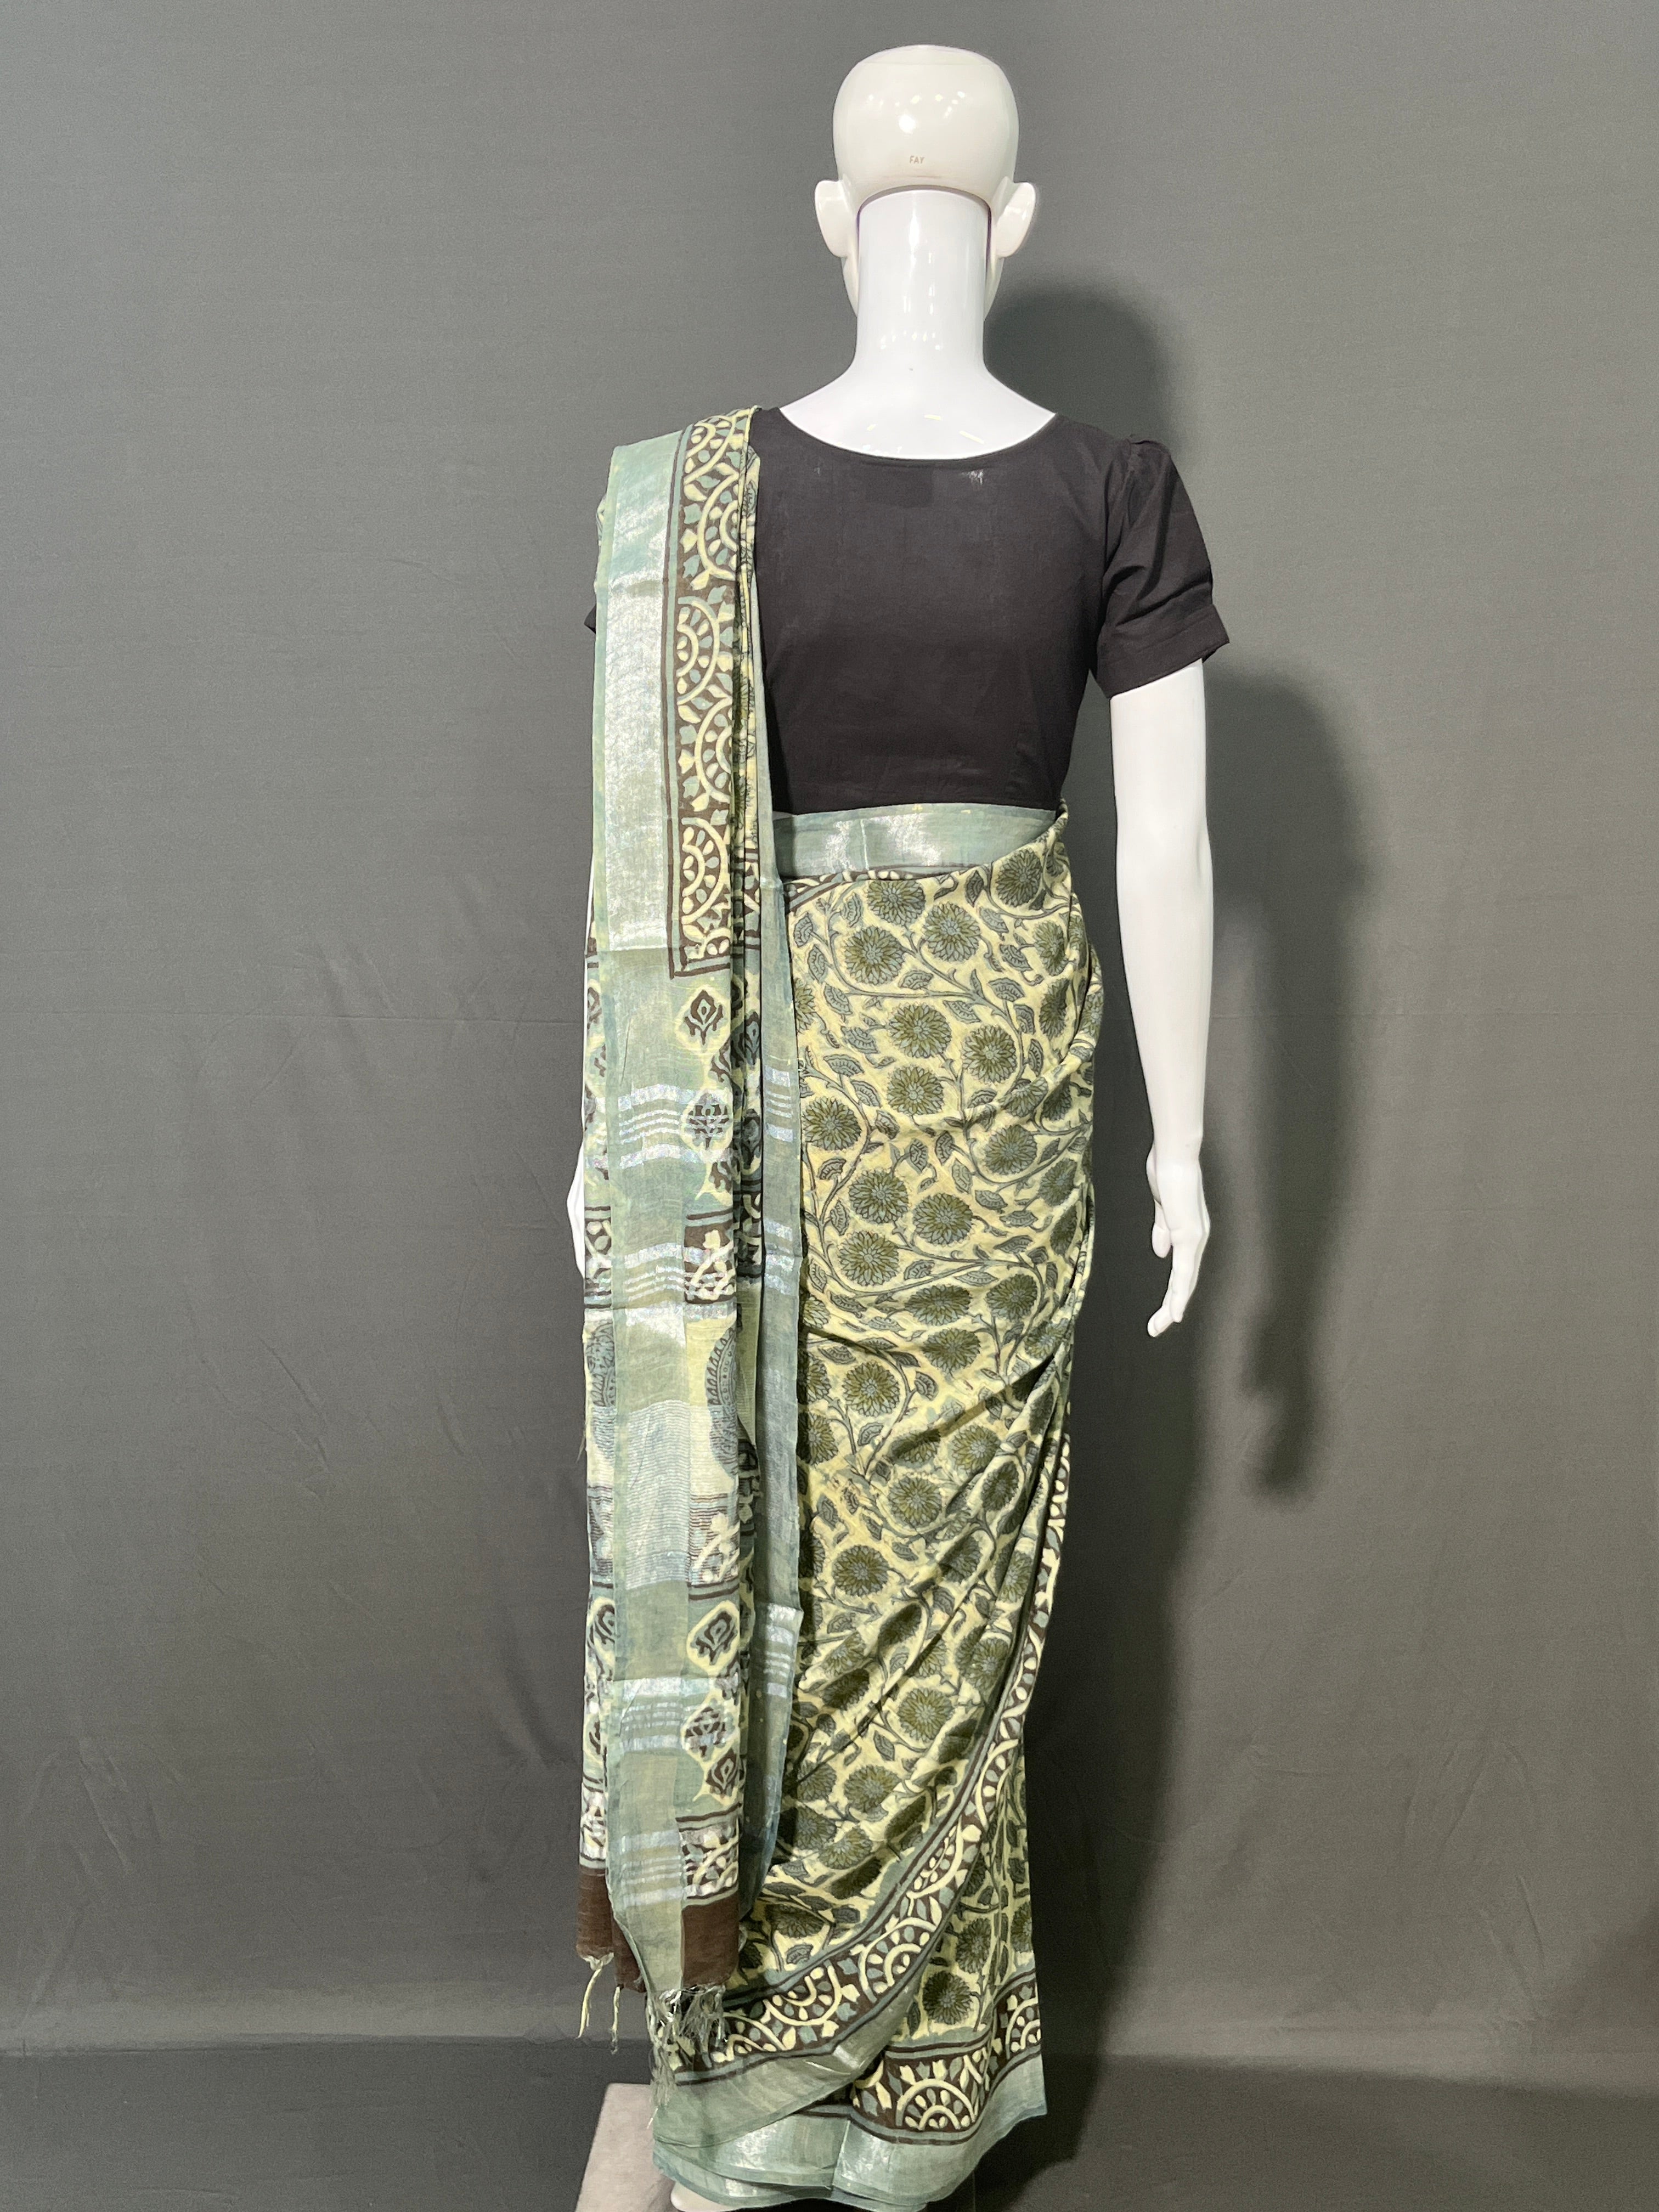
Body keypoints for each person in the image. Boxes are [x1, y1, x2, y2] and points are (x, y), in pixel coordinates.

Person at [572, 46, 1225, 2212]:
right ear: (1015, 226)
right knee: (853, 1568)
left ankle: (815, 2104)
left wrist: (614, 1135)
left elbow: (646, 882)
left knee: (832, 1565)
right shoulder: (1109, 488)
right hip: (933, 1092)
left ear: (832, 221)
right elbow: (1164, 853)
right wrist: (1185, 1147)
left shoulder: (712, 500)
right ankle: (831, 2101)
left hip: (796, 1094)